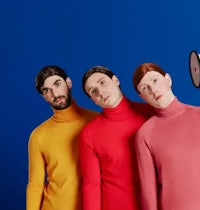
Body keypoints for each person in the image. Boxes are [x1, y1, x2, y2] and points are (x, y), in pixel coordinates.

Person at [79, 65, 153, 210]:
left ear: (115, 80)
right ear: (94, 100)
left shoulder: (149, 113)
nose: (100, 91)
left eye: (102, 82)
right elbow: (91, 185)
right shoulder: (89, 134)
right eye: (93, 91)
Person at [26, 65, 99, 210]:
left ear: (69, 83)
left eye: (57, 84)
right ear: (44, 97)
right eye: (47, 91)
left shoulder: (96, 121)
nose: (55, 93)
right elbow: (35, 185)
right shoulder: (38, 135)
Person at [132, 62, 200, 210]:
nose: (153, 90)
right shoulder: (145, 134)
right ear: (142, 96)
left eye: (155, 80)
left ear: (168, 79)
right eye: (145, 88)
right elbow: (148, 192)